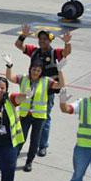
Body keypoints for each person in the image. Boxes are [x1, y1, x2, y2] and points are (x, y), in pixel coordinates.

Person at [14, 25, 72, 156]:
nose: (42, 41)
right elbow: (18, 45)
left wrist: (67, 42)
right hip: (32, 89)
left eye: (45, 39)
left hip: (48, 91)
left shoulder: (54, 53)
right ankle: (22, 145)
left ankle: (42, 145)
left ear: (50, 41)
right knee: (26, 118)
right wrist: (23, 35)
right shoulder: (34, 51)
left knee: (45, 119)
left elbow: (66, 52)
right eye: (40, 39)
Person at [4, 54, 66, 172]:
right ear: (30, 69)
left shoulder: (46, 81)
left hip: (39, 116)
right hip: (25, 114)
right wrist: (9, 66)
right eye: (34, 69)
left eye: (38, 70)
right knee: (20, 138)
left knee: (35, 140)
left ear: (41, 71)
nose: (35, 72)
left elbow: (61, 85)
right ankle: (13, 159)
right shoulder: (23, 78)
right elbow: (9, 77)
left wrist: (60, 71)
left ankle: (29, 161)